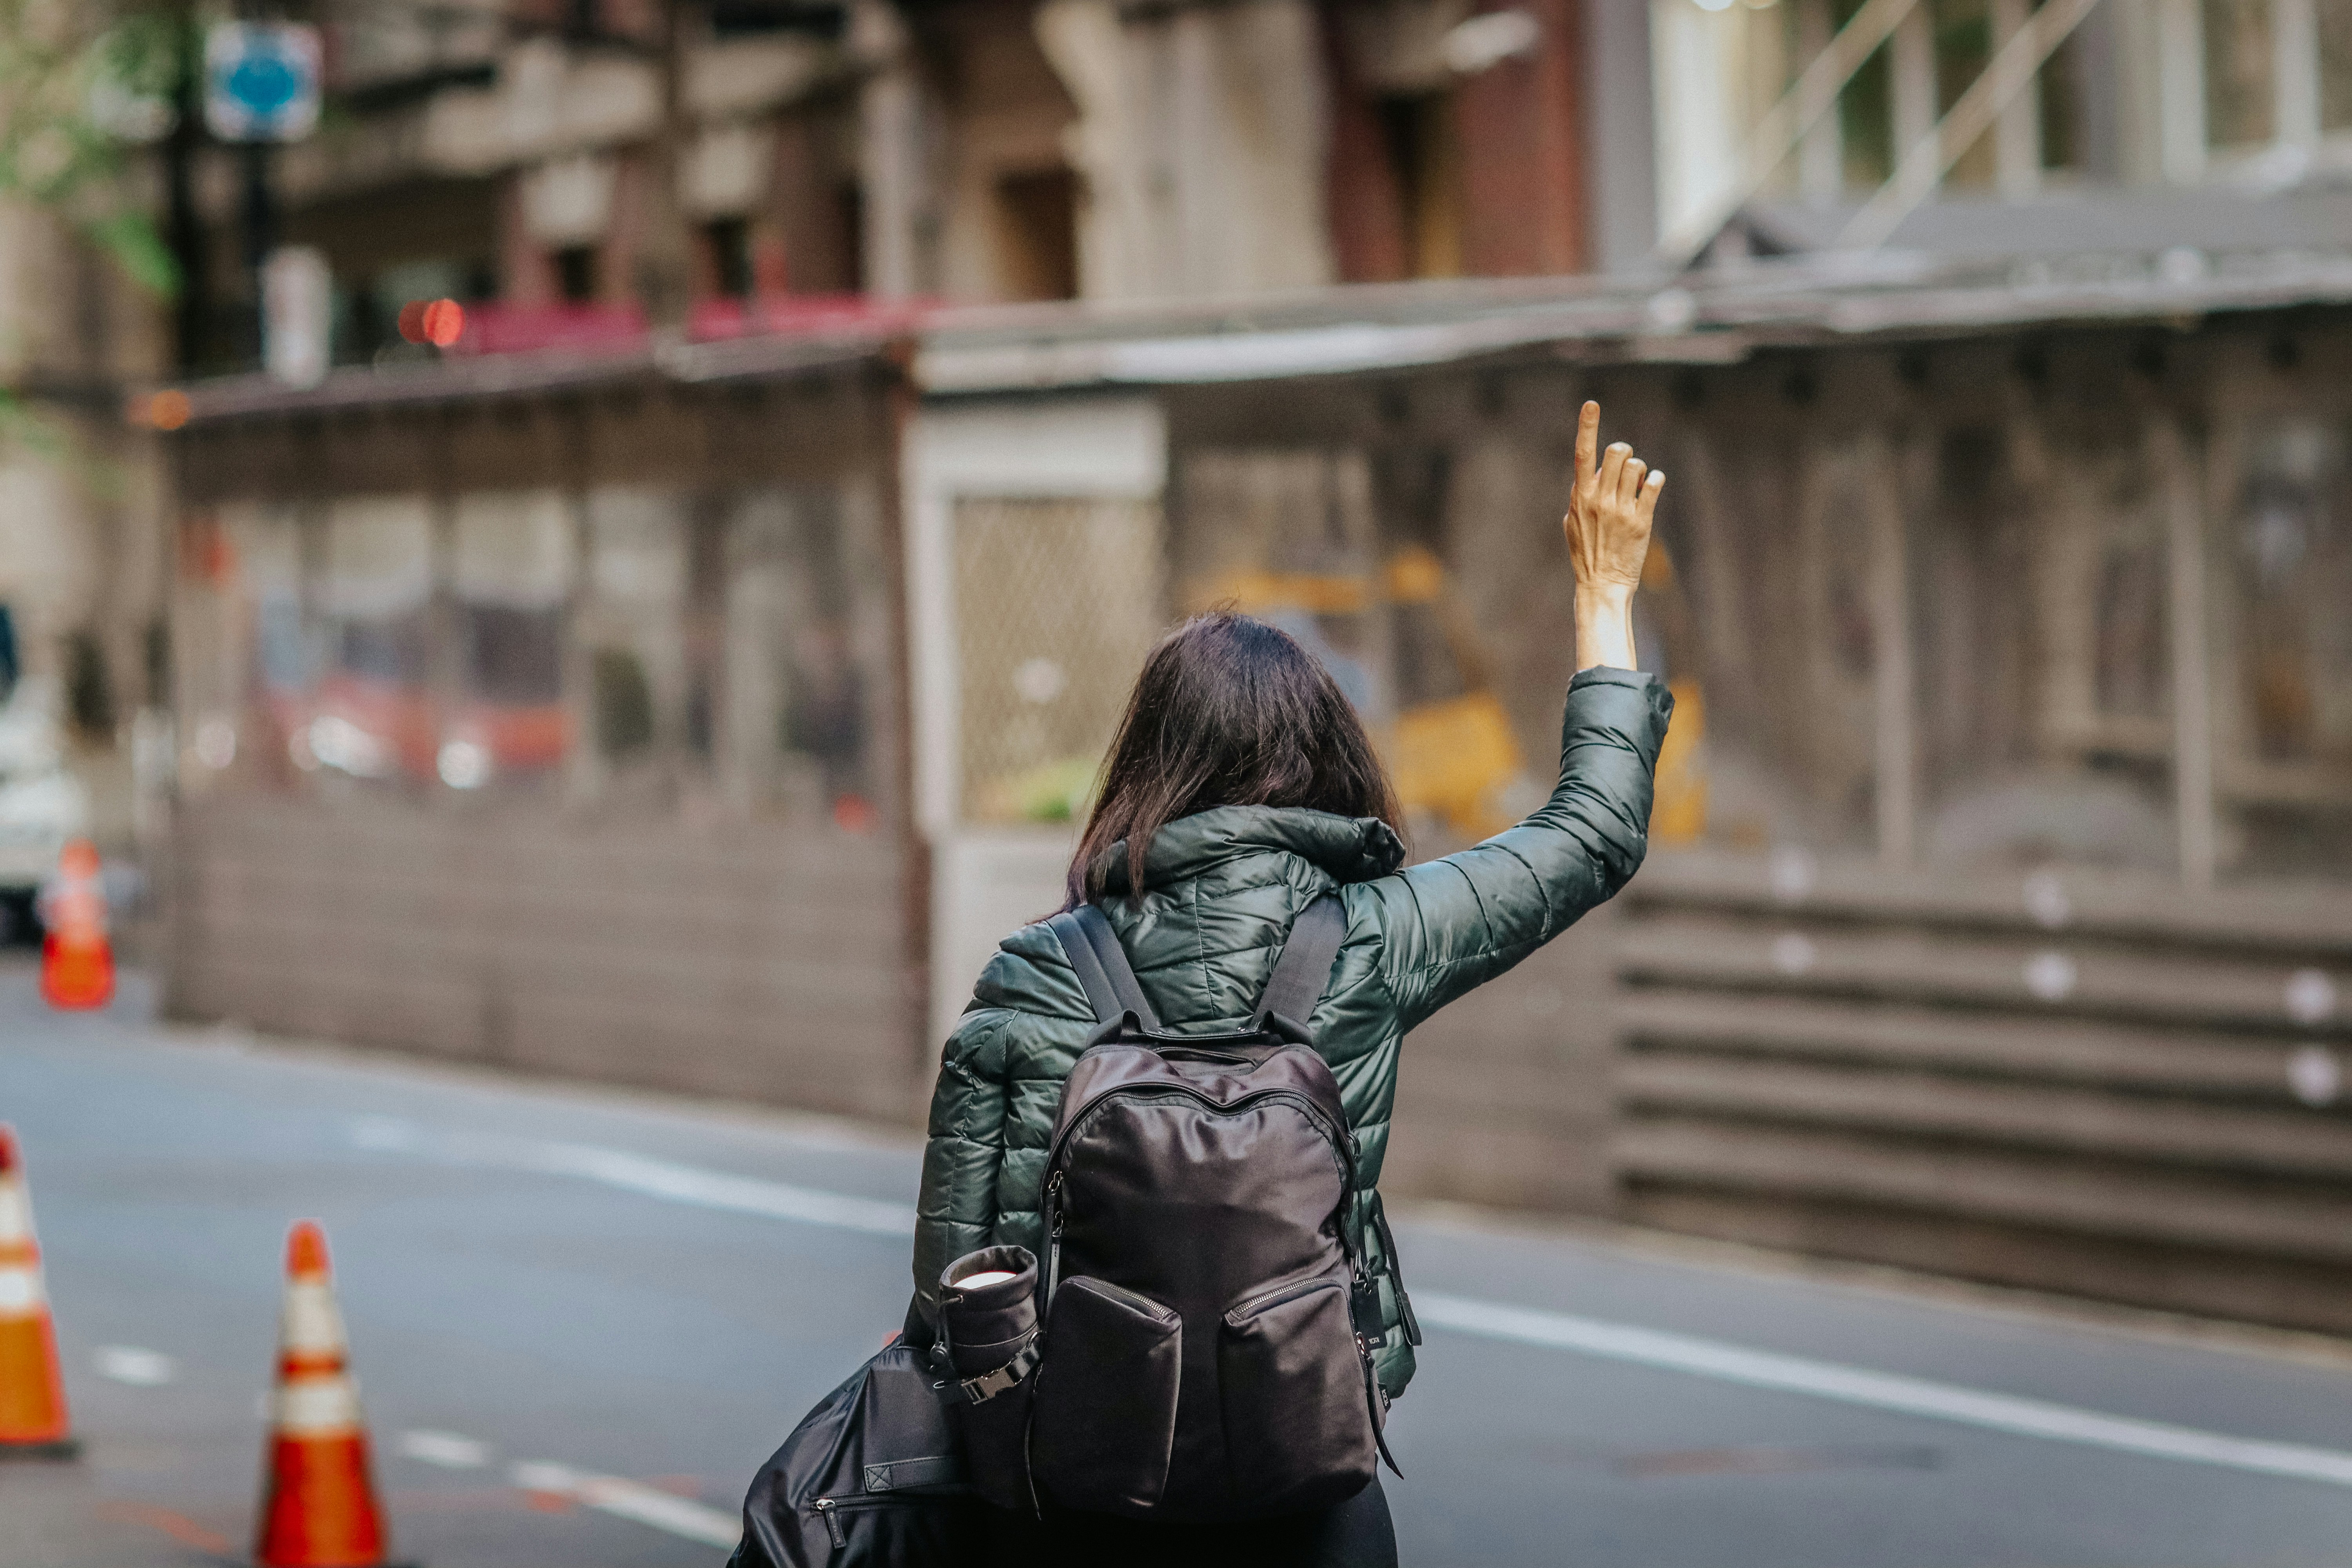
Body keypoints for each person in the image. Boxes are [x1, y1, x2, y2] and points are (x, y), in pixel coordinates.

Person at [904, 403, 1673, 1566]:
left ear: (1143, 764)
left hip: (1080, 1494)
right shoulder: (1371, 937)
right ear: (1322, 761)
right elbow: (1593, 835)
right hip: (1310, 1480)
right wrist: (1605, 598)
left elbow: (948, 1291)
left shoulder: (1035, 978)